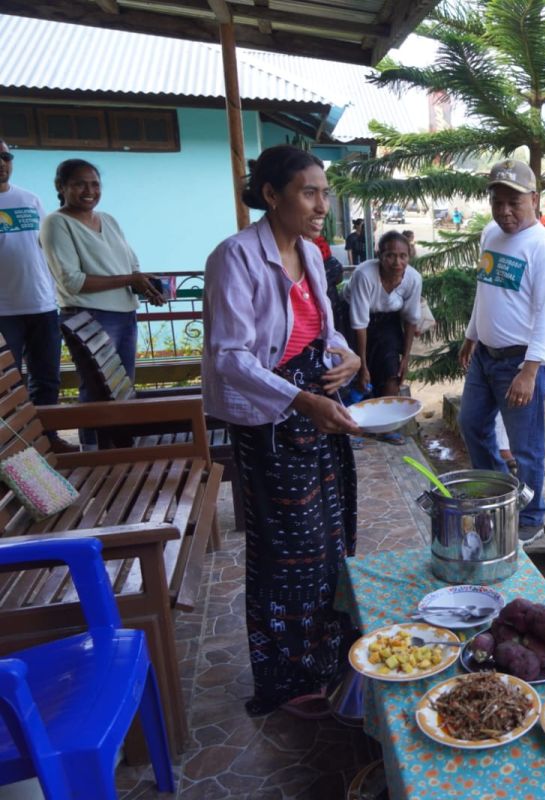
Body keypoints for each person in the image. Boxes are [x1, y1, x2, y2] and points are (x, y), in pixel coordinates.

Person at [202, 144, 361, 718]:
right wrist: (300, 398)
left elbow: (326, 330)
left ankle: (327, 659)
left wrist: (345, 358)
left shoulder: (313, 255)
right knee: (287, 555)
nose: (322, 205)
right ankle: (287, 678)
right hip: (272, 419)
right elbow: (229, 356)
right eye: (309, 192)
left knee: (331, 543)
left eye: (325, 192)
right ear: (271, 195)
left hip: (315, 411)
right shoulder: (235, 258)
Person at [458, 159, 545, 545]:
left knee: (526, 446)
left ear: (534, 199)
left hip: (520, 361)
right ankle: (495, 497)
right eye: (497, 201)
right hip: (485, 356)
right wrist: (472, 335)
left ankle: (531, 516)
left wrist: (531, 370)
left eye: (514, 202)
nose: (504, 211)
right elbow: (486, 290)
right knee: (471, 424)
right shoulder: (491, 233)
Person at [41, 158, 166, 446]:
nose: (89, 190)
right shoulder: (56, 223)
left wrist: (145, 287)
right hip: (87, 317)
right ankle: (94, 452)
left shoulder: (108, 219)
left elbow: (130, 264)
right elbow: (71, 280)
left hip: (124, 314)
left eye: (95, 184)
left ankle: (121, 450)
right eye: (79, 184)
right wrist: (128, 280)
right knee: (97, 388)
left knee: (122, 389)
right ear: (61, 187)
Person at [0, 140, 63, 415]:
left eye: (5, 156)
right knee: (6, 386)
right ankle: (12, 449)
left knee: (47, 380)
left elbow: (46, 247)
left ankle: (48, 442)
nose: (1, 163)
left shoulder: (30, 199)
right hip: (3, 311)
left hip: (43, 305)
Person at [346, 230, 423, 402]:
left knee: (392, 373)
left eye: (403, 256)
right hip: (354, 321)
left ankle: (386, 423)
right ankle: (359, 424)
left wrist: (406, 357)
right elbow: (359, 324)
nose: (397, 262)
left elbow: (411, 319)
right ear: (379, 255)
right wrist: (362, 366)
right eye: (390, 255)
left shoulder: (414, 279)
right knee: (359, 376)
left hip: (388, 320)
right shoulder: (364, 275)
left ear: (409, 256)